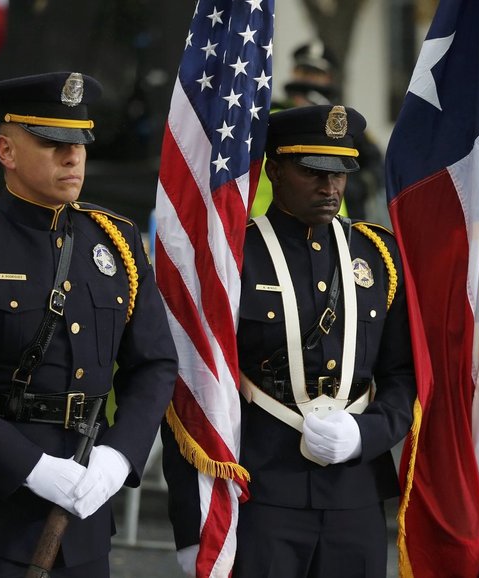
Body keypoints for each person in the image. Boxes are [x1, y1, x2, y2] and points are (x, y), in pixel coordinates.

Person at [0, 72, 179, 577]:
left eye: (80, 143)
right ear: (6, 151)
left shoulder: (116, 242)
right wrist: (30, 467)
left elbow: (155, 363)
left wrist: (119, 458)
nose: (72, 157)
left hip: (85, 515)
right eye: (53, 144)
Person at [161, 104, 417, 577]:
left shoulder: (377, 256)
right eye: (312, 171)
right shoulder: (235, 258)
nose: (330, 186)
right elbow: (190, 386)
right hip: (263, 491)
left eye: (341, 171)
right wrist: (191, 525)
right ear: (274, 170)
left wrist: (367, 433)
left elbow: (402, 375)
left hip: (354, 494)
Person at [251, 40, 384, 221]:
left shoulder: (341, 122)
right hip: (268, 221)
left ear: (328, 77)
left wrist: (351, 187)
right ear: (294, 73)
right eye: (304, 72)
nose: (308, 79)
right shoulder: (271, 118)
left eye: (315, 73)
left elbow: (375, 165)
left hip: (333, 224)